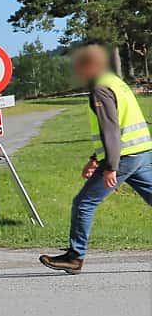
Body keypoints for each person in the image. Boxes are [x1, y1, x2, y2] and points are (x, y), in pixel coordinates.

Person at [40, 44, 152, 273]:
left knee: (84, 203)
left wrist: (110, 166)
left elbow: (111, 129)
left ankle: (75, 257)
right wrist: (95, 158)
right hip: (142, 151)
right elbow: (120, 122)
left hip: (124, 157)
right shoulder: (115, 82)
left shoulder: (101, 88)